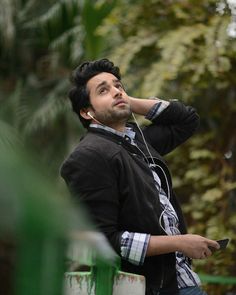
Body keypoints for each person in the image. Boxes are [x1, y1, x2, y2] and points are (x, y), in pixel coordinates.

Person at [60, 58, 220, 295]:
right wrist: (180, 242)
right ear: (87, 111)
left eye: (118, 86)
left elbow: (187, 119)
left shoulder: (138, 141)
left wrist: (127, 101)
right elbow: (105, 240)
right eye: (103, 90)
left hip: (181, 280)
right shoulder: (90, 156)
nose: (116, 91)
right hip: (151, 287)